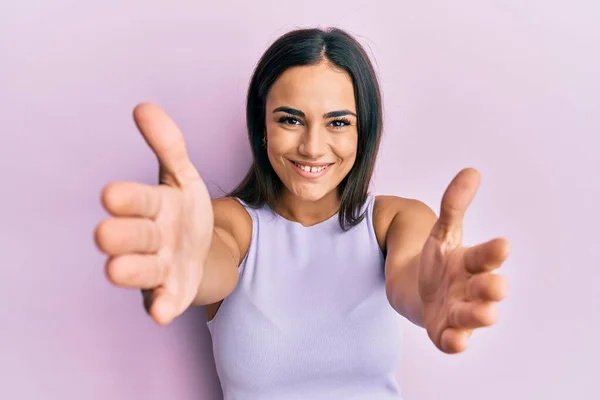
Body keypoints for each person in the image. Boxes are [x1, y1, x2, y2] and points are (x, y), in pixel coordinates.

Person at [94, 27, 509, 400]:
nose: (312, 147)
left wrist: (428, 294)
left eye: (338, 123)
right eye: (291, 120)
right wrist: (184, 263)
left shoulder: (393, 222)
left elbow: (412, 279)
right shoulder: (231, 224)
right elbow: (210, 263)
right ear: (262, 127)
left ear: (363, 131)